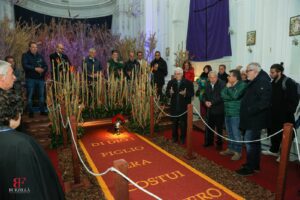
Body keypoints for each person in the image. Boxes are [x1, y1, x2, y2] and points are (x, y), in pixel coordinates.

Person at [0, 60, 65, 200]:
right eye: (12, 74)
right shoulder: (21, 146)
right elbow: (24, 188)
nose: (15, 77)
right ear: (1, 78)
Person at [237, 62, 272, 176]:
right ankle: (254, 165)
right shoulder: (255, 80)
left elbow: (265, 102)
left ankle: (250, 167)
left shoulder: (262, 81)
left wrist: (250, 110)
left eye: (248, 71)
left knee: (250, 142)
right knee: (255, 143)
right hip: (252, 118)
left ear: (255, 71)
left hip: (255, 118)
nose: (246, 73)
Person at [262, 63, 298, 160]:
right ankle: (274, 150)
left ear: (279, 72)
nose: (270, 74)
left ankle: (284, 155)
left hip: (285, 115)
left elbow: (294, 99)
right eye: (270, 72)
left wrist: (289, 111)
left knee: (285, 136)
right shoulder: (273, 83)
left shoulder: (288, 82)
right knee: (274, 133)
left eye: (272, 72)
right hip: (274, 114)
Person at [220, 69, 247, 160]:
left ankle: (238, 152)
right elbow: (222, 94)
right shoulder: (229, 85)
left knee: (236, 134)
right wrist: (229, 93)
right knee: (229, 133)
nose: (228, 77)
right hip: (227, 112)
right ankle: (231, 149)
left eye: (229, 76)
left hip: (236, 113)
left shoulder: (242, 85)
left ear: (235, 77)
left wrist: (228, 88)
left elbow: (235, 96)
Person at [166, 67, 194, 144]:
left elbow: (192, 94)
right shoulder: (171, 82)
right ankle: (174, 138)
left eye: (178, 74)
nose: (176, 75)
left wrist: (185, 93)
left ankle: (182, 138)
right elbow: (167, 94)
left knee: (183, 124)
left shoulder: (188, 82)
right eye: (175, 74)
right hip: (174, 107)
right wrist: (170, 93)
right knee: (174, 124)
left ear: (182, 74)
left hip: (183, 107)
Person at [22, 41, 48, 118]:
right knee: (30, 96)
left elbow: (46, 65)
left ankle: (42, 111)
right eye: (33, 47)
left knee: (42, 96)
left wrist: (43, 70)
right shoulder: (25, 55)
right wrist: (35, 69)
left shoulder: (40, 56)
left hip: (40, 79)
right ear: (29, 48)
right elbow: (25, 65)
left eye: (36, 47)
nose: (35, 48)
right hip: (30, 79)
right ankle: (30, 111)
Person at [202, 71, 225, 150]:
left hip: (219, 110)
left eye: (214, 77)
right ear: (208, 78)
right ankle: (209, 142)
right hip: (209, 109)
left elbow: (222, 96)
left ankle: (219, 144)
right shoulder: (207, 84)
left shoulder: (222, 84)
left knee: (219, 128)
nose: (212, 79)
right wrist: (205, 101)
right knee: (209, 127)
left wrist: (212, 102)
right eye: (210, 78)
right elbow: (204, 95)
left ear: (217, 77)